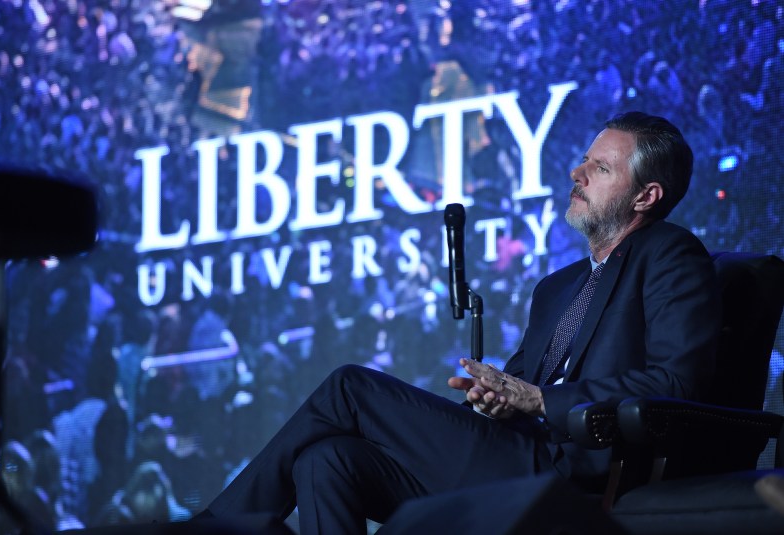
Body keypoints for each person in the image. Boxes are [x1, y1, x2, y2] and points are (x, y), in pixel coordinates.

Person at [194, 111, 721, 534]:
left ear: (646, 196)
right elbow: (521, 385)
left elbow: (675, 384)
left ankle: (217, 528)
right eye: (584, 160)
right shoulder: (556, 286)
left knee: (351, 387)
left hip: (574, 469)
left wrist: (540, 402)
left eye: (601, 168)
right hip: (515, 455)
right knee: (327, 459)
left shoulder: (670, 254)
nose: (576, 173)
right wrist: (498, 396)